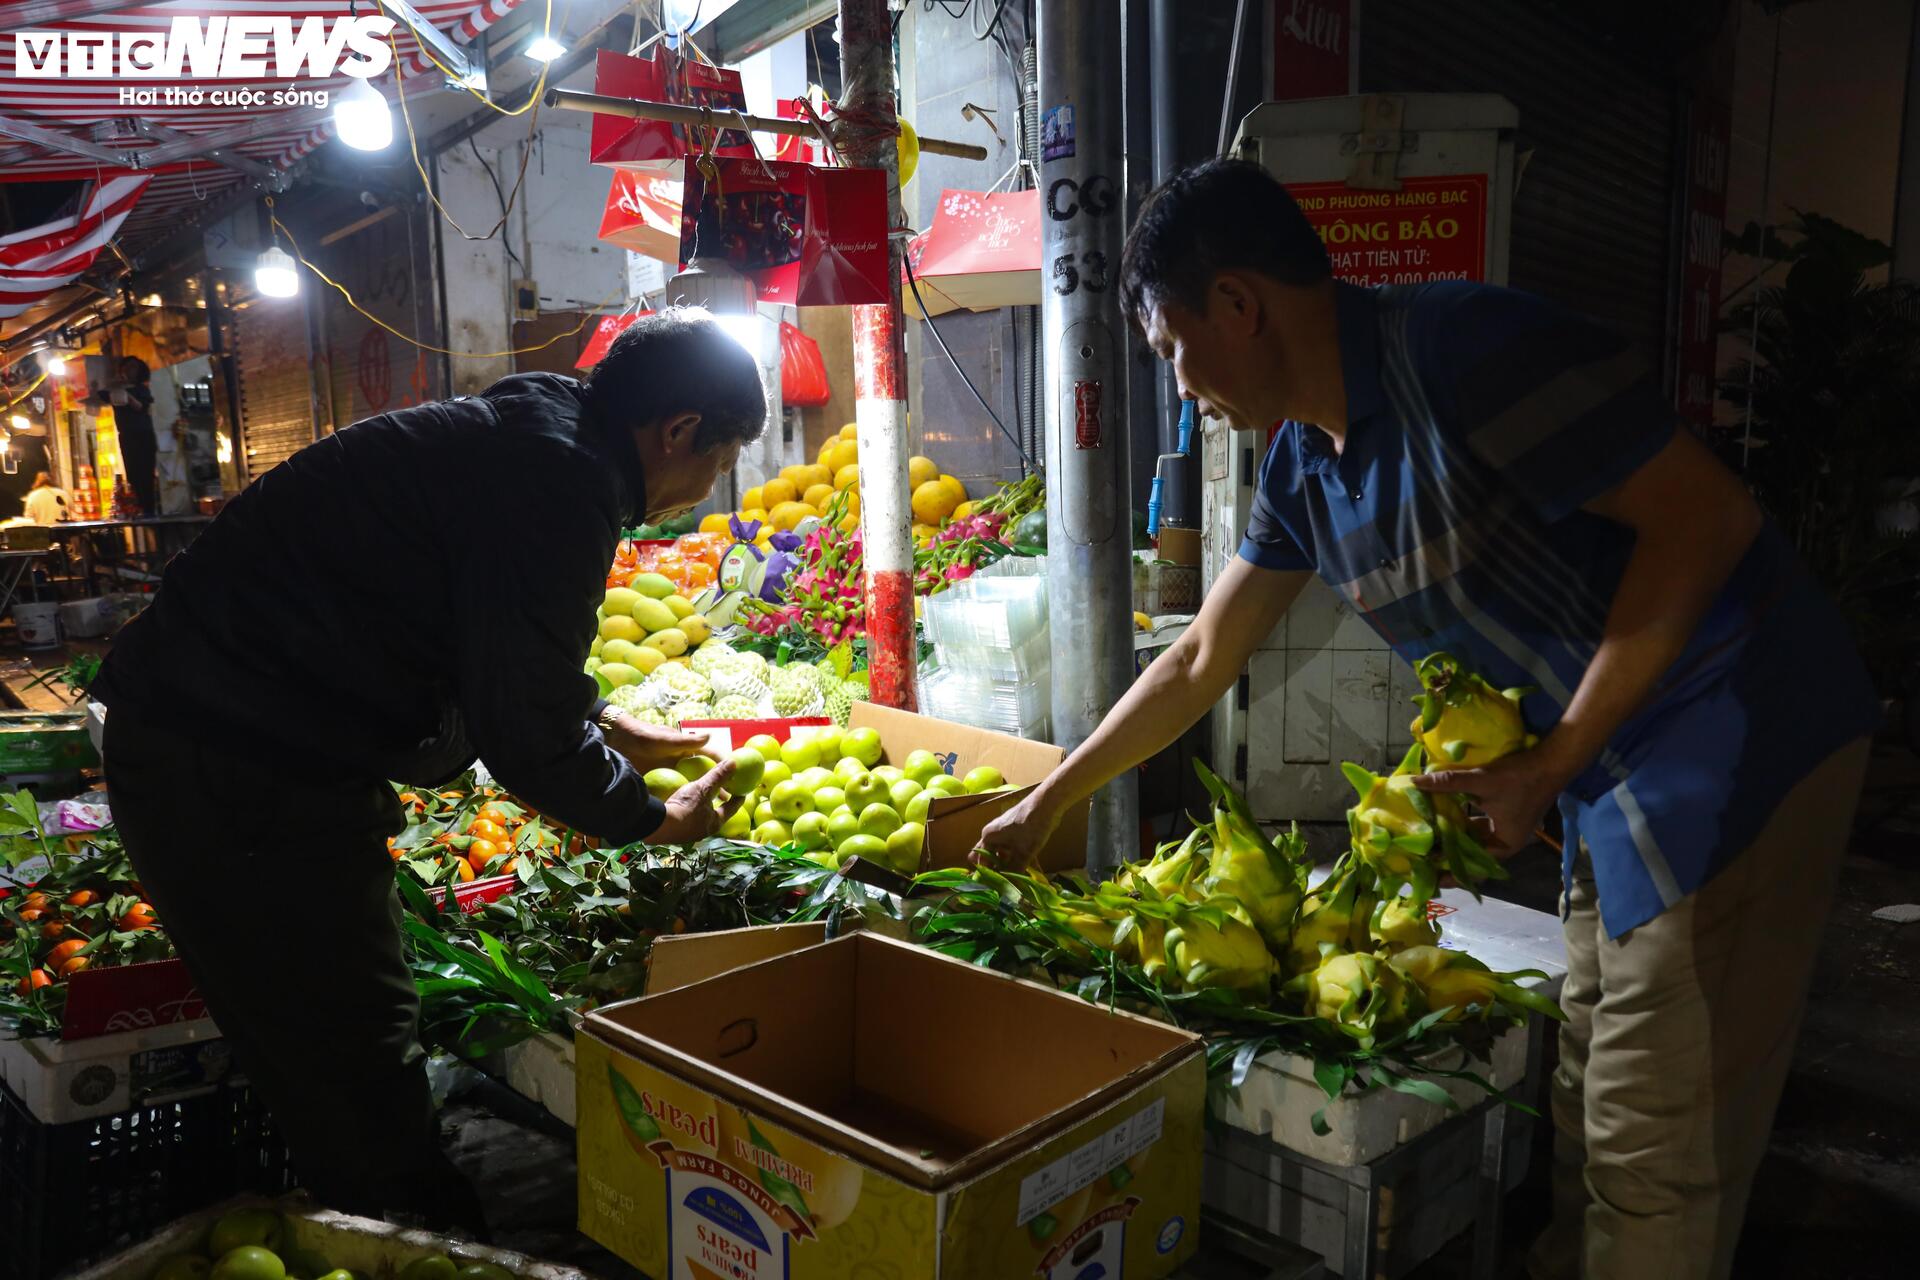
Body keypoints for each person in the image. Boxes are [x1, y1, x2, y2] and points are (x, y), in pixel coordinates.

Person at [978, 160, 1878, 1280]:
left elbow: (1707, 517)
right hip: (1607, 773)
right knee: (1586, 1092)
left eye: (1170, 346)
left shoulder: (1460, 346)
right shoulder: (1304, 462)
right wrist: (1049, 796)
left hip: (1739, 739)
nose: (1182, 381)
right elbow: (1205, 653)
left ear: (1241, 305)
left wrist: (1552, 758)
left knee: (1658, 1134)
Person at [95, 309, 763, 1233]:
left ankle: (368, 1216)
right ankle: (420, 1244)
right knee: (349, 1041)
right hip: (235, 765)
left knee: (316, 1031)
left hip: (218, 737)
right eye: (718, 464)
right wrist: (649, 819)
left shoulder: (540, 435)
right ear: (680, 430)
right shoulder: (561, 480)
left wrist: (598, 721)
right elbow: (519, 726)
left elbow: (484, 635)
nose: (700, 495)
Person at [90, 356, 158, 515]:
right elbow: (99, 395)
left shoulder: (141, 389)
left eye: (133, 367)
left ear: (140, 370)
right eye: (126, 367)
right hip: (126, 435)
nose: (129, 370)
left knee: (146, 473)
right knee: (133, 473)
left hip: (143, 434)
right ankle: (139, 507)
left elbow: (140, 407)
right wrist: (112, 386)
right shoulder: (115, 389)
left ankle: (149, 509)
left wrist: (126, 394)